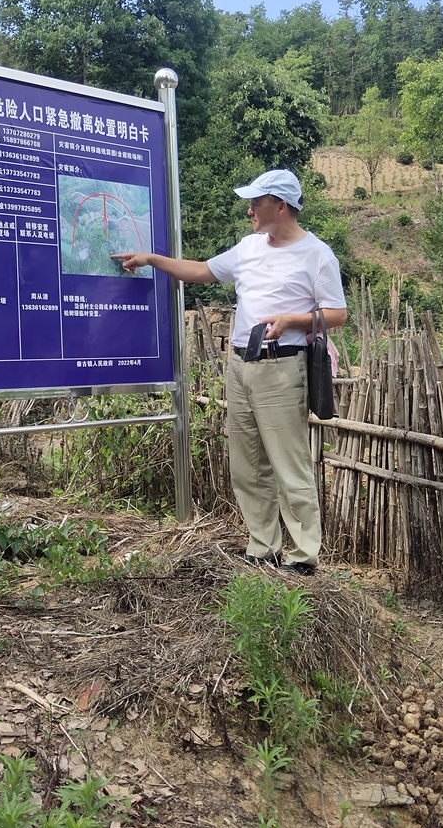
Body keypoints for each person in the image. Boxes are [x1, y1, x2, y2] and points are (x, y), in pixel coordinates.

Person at [113, 169, 346, 575]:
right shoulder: (249, 247)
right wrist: (151, 259)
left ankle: (304, 555)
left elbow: (337, 313)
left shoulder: (317, 254)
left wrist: (291, 320)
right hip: (239, 364)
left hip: (282, 366)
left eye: (257, 202)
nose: (250, 209)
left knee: (289, 463)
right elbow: (201, 270)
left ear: (281, 205)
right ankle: (263, 546)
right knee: (246, 463)